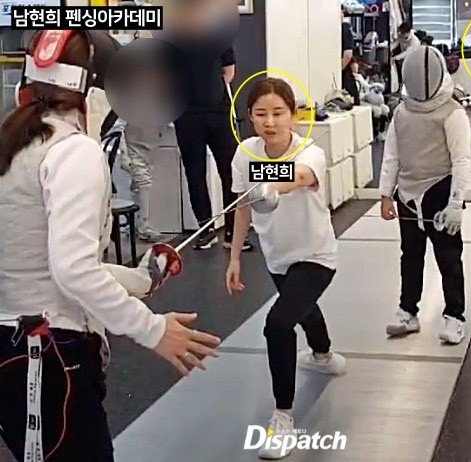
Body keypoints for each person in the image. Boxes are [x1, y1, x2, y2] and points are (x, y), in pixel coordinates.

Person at [0, 30, 221, 462]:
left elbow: (49, 259)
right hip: (48, 353)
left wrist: (140, 278)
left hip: (18, 346)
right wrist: (153, 329)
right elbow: (72, 270)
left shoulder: (18, 141)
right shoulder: (73, 152)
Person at [226, 78, 347, 460]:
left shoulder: (310, 151)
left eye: (278, 113)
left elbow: (302, 177)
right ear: (250, 117)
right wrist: (234, 257)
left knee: (278, 323)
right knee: (302, 308)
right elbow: (243, 207)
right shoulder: (245, 153)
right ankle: (323, 355)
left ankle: (282, 418)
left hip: (316, 255)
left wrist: (271, 187)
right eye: (261, 114)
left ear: (293, 115)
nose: (270, 122)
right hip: (277, 255)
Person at [379, 46, 471, 345]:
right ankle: (408, 311)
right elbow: (392, 155)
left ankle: (455, 315)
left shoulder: (452, 112)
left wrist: (455, 203)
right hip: (407, 194)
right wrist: (386, 194)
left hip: (439, 193)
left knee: (448, 257)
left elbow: (461, 161)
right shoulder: (401, 112)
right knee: (410, 255)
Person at [174, 45, 254, 251]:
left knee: (230, 171)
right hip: (186, 114)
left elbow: (229, 72)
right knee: (195, 173)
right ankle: (206, 230)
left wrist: (210, 91)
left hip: (219, 111)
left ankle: (232, 232)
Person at [391, 22, 421, 91]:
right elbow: (395, 43)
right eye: (401, 32)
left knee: (411, 79)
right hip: (404, 61)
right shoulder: (401, 36)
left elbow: (407, 53)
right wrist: (389, 49)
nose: (401, 34)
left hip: (414, 62)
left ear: (408, 32)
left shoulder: (414, 41)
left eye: (403, 33)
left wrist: (396, 58)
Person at [341, 9, 360, 105]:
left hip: (344, 75)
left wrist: (339, 69)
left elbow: (348, 54)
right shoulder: (344, 28)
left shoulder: (344, 28)